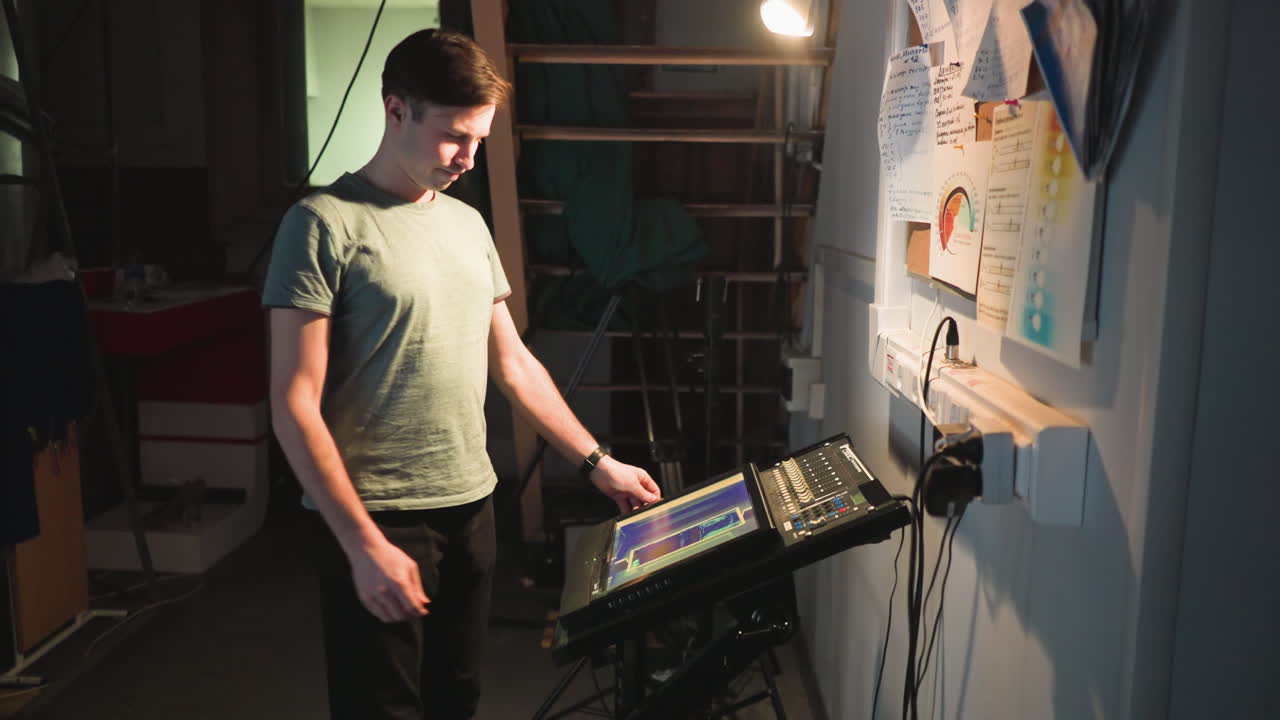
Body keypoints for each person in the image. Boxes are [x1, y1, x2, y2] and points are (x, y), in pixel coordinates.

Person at [262, 28, 661, 720]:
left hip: (472, 506)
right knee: (380, 708)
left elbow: (513, 363)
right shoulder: (322, 224)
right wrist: (360, 544)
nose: (468, 158)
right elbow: (294, 402)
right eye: (453, 136)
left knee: (457, 700)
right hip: (376, 513)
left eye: (479, 139)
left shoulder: (468, 224)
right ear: (396, 110)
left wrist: (598, 462)